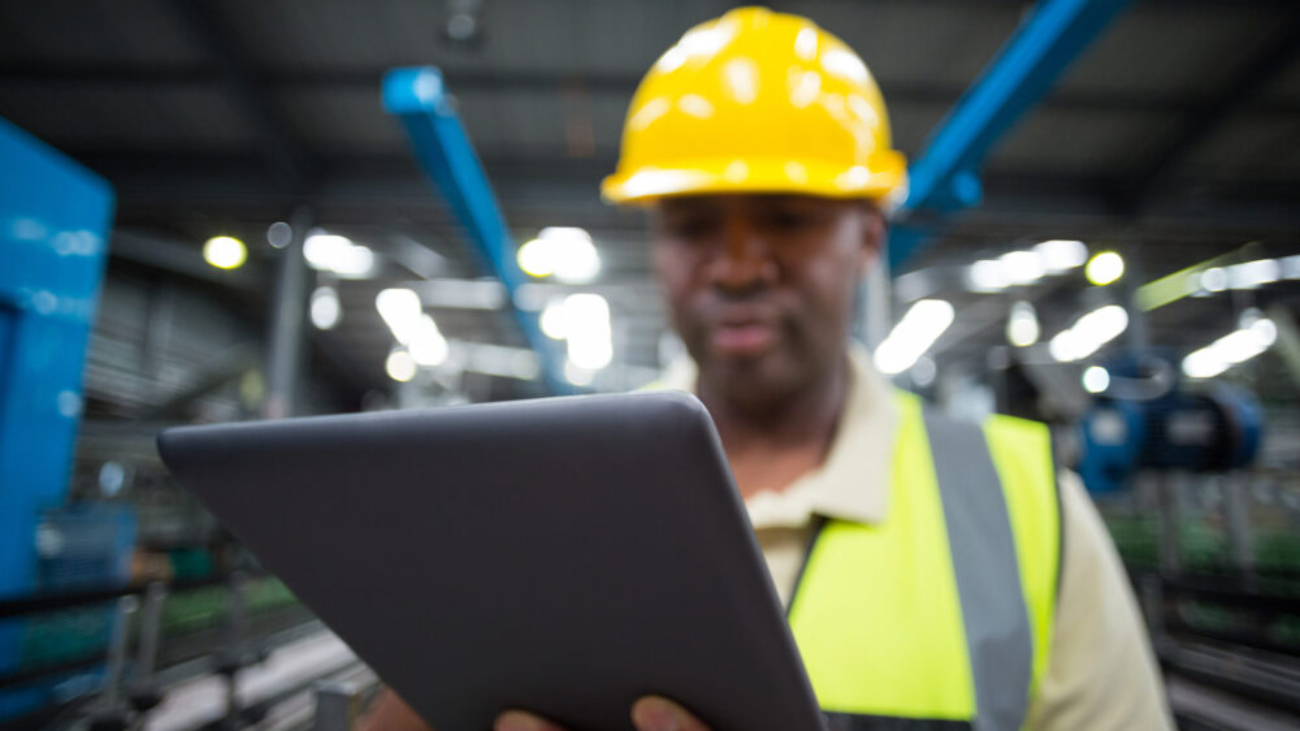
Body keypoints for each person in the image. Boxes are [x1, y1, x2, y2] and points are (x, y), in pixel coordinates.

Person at [362, 8, 1172, 731]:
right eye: (693, 223)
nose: (740, 266)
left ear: (868, 237)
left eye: (788, 218)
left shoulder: (1024, 511)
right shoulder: (550, 482)